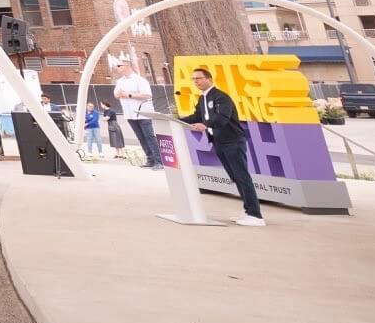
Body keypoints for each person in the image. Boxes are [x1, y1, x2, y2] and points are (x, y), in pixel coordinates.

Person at [180, 67, 263, 226]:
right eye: (194, 79)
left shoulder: (221, 97)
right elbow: (196, 116)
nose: (195, 81)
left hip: (233, 141)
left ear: (209, 79)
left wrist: (205, 125)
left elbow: (222, 118)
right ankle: (248, 211)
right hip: (218, 141)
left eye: (198, 78)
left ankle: (256, 215)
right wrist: (178, 120)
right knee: (234, 177)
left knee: (242, 176)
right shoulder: (202, 99)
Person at [113, 65, 161, 169]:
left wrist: (129, 95)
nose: (117, 68)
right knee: (141, 138)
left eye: (119, 65)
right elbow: (116, 95)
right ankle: (150, 159)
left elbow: (147, 95)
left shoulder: (139, 80)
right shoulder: (120, 81)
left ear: (127, 66)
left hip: (143, 113)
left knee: (149, 136)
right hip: (129, 114)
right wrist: (121, 94)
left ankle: (159, 161)